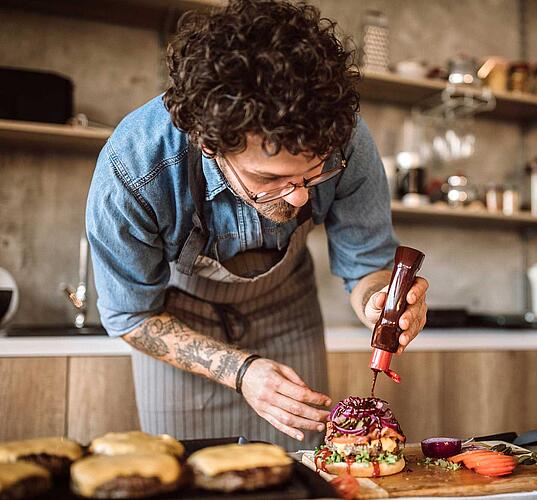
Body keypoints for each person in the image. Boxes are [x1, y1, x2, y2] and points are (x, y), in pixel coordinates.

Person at [86, 0, 428, 450]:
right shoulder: (135, 168)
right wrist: (241, 370)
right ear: (210, 144)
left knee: (304, 472)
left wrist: (378, 303)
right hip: (178, 324)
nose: (300, 196)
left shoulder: (345, 139)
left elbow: (367, 266)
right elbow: (131, 314)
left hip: (288, 314)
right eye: (270, 179)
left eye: (312, 173)